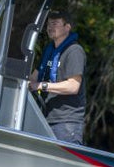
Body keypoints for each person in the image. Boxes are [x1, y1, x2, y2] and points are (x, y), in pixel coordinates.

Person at [29, 9, 86, 144]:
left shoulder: (74, 51)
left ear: (67, 27)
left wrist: (41, 86)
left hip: (66, 122)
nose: (50, 27)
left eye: (55, 23)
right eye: (48, 24)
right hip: (46, 118)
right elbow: (34, 77)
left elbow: (73, 86)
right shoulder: (49, 51)